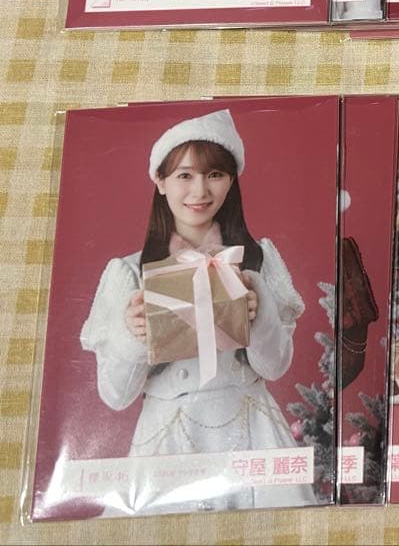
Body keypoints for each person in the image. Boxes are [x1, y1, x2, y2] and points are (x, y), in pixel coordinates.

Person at [79, 109, 314, 514]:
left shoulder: (257, 260)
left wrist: (259, 313)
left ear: (231, 180)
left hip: (252, 434)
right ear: (160, 181)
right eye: (184, 175)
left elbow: (275, 367)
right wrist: (131, 335)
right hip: (167, 442)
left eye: (215, 175)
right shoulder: (129, 272)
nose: (199, 191)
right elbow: (115, 396)